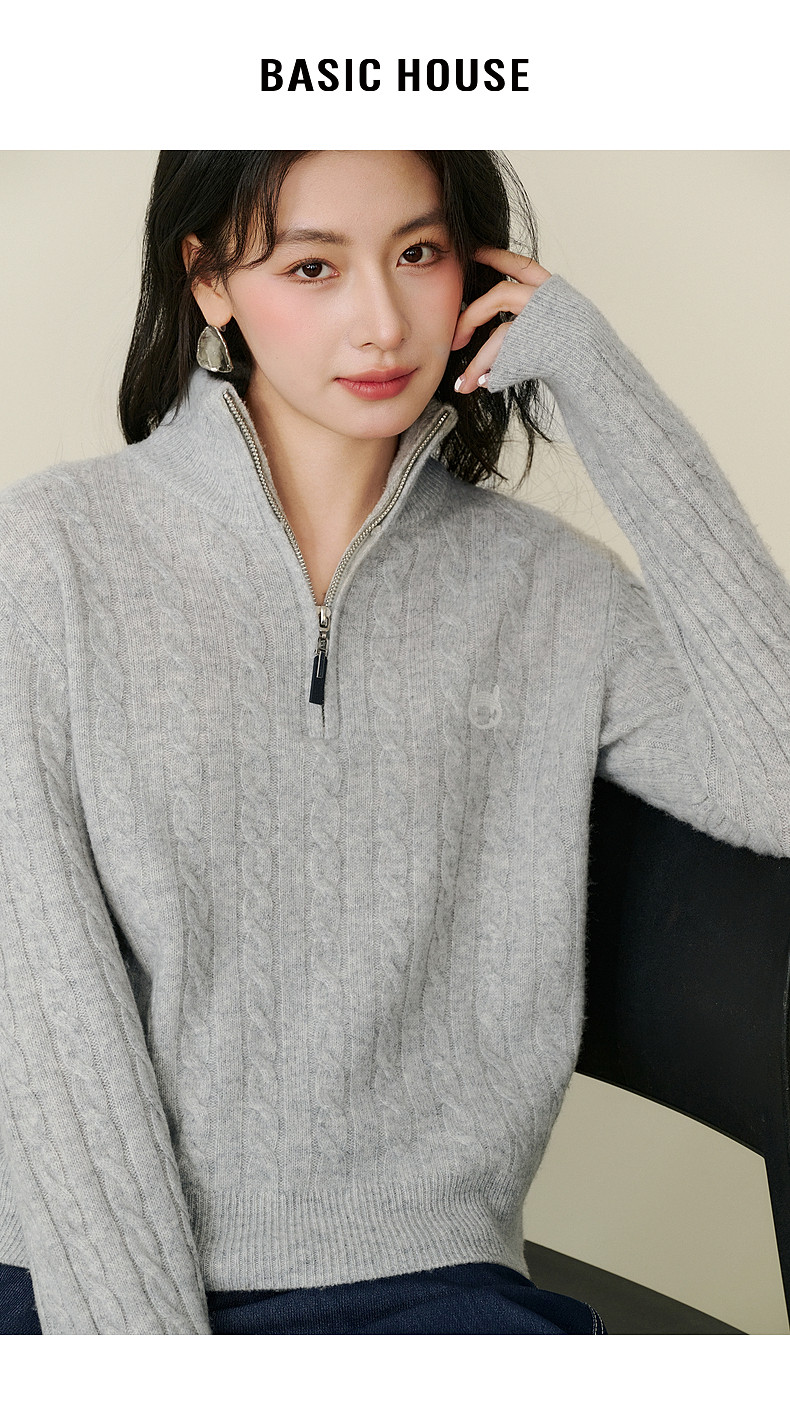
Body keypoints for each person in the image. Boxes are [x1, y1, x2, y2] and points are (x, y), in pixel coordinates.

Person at [0, 149, 787, 1335]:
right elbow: (45, 1010)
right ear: (208, 280)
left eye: (418, 253)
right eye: (312, 267)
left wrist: (598, 376)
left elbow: (776, 779)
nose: (380, 320)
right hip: (75, 1288)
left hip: (428, 1290)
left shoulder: (555, 592)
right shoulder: (48, 559)